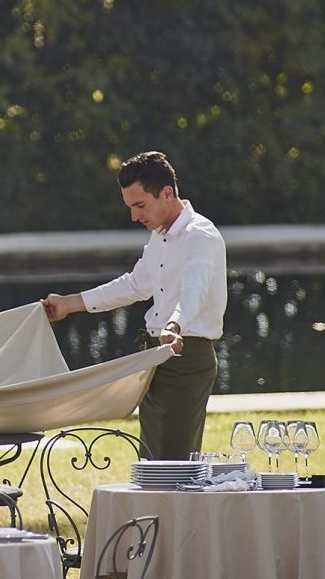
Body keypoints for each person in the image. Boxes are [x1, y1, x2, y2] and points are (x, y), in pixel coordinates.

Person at [42, 151, 227, 462]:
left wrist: (174, 326)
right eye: (130, 207)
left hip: (186, 358)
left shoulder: (200, 236)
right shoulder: (159, 236)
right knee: (151, 464)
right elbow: (135, 284)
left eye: (140, 206)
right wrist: (70, 304)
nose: (134, 217)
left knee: (171, 469)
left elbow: (194, 290)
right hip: (156, 358)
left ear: (167, 194)